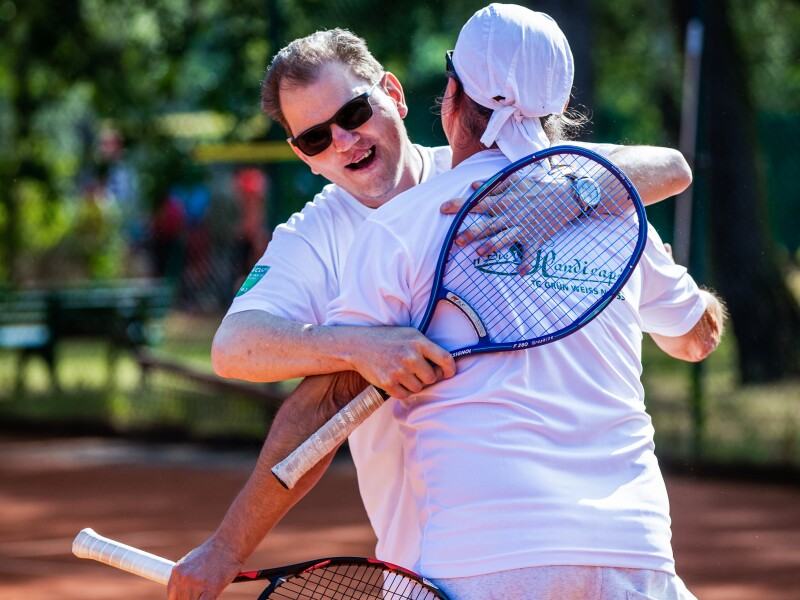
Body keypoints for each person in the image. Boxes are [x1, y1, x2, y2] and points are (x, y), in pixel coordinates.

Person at [167, 23, 698, 600]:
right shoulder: (318, 234)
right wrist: (360, 346)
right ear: (302, 156)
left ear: (395, 94)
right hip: (441, 556)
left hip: (471, 559)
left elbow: (668, 167)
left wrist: (565, 196)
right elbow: (234, 347)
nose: (343, 141)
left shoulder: (529, 179)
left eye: (353, 113)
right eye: (316, 138)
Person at [323, 4, 725, 599]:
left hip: (481, 559)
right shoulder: (617, 210)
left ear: (452, 94)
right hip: (633, 553)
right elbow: (697, 338)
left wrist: (228, 543)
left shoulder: (398, 227)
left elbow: (327, 397)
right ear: (558, 107)